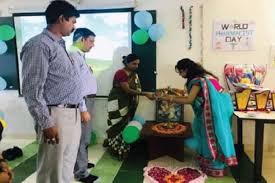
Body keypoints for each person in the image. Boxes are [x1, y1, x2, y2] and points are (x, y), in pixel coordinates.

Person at [20, 1, 82, 182]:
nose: (74, 25)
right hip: (56, 114)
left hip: (72, 113)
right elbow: (32, 89)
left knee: (66, 167)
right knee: (51, 169)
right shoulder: (39, 45)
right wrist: (46, 123)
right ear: (61, 19)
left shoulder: (59, 45)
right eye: (72, 21)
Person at [154, 58, 238, 177]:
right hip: (220, 112)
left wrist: (167, 98)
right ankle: (217, 163)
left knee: (209, 137)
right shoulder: (207, 77)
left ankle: (214, 167)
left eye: (180, 72)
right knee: (218, 136)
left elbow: (189, 99)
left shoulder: (198, 81)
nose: (181, 75)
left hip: (210, 114)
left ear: (186, 70)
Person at [103, 53, 150, 160]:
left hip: (128, 103)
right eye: (134, 64)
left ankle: (123, 149)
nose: (136, 66)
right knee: (115, 125)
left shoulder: (134, 74)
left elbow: (135, 90)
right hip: (117, 103)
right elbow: (127, 90)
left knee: (124, 126)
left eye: (138, 64)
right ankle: (114, 148)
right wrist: (146, 94)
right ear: (127, 62)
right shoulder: (121, 73)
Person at [69, 28, 98, 183]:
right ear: (81, 39)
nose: (93, 45)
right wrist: (83, 109)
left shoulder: (80, 56)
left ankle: (83, 164)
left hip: (88, 100)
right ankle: (81, 172)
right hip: (83, 101)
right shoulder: (74, 55)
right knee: (82, 138)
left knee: (85, 137)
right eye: (91, 41)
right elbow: (76, 86)